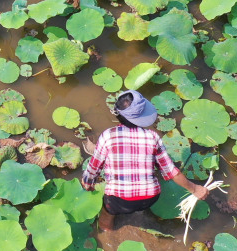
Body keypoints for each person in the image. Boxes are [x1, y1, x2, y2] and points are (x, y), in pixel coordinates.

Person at [81, 90, 209, 232]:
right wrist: (195, 188)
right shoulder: (153, 137)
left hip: (118, 200)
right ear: (143, 116)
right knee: (143, 192)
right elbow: (172, 172)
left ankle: (108, 232)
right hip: (150, 198)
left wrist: (88, 183)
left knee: (107, 215)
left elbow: (94, 167)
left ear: (117, 114)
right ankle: (139, 211)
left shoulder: (108, 136)